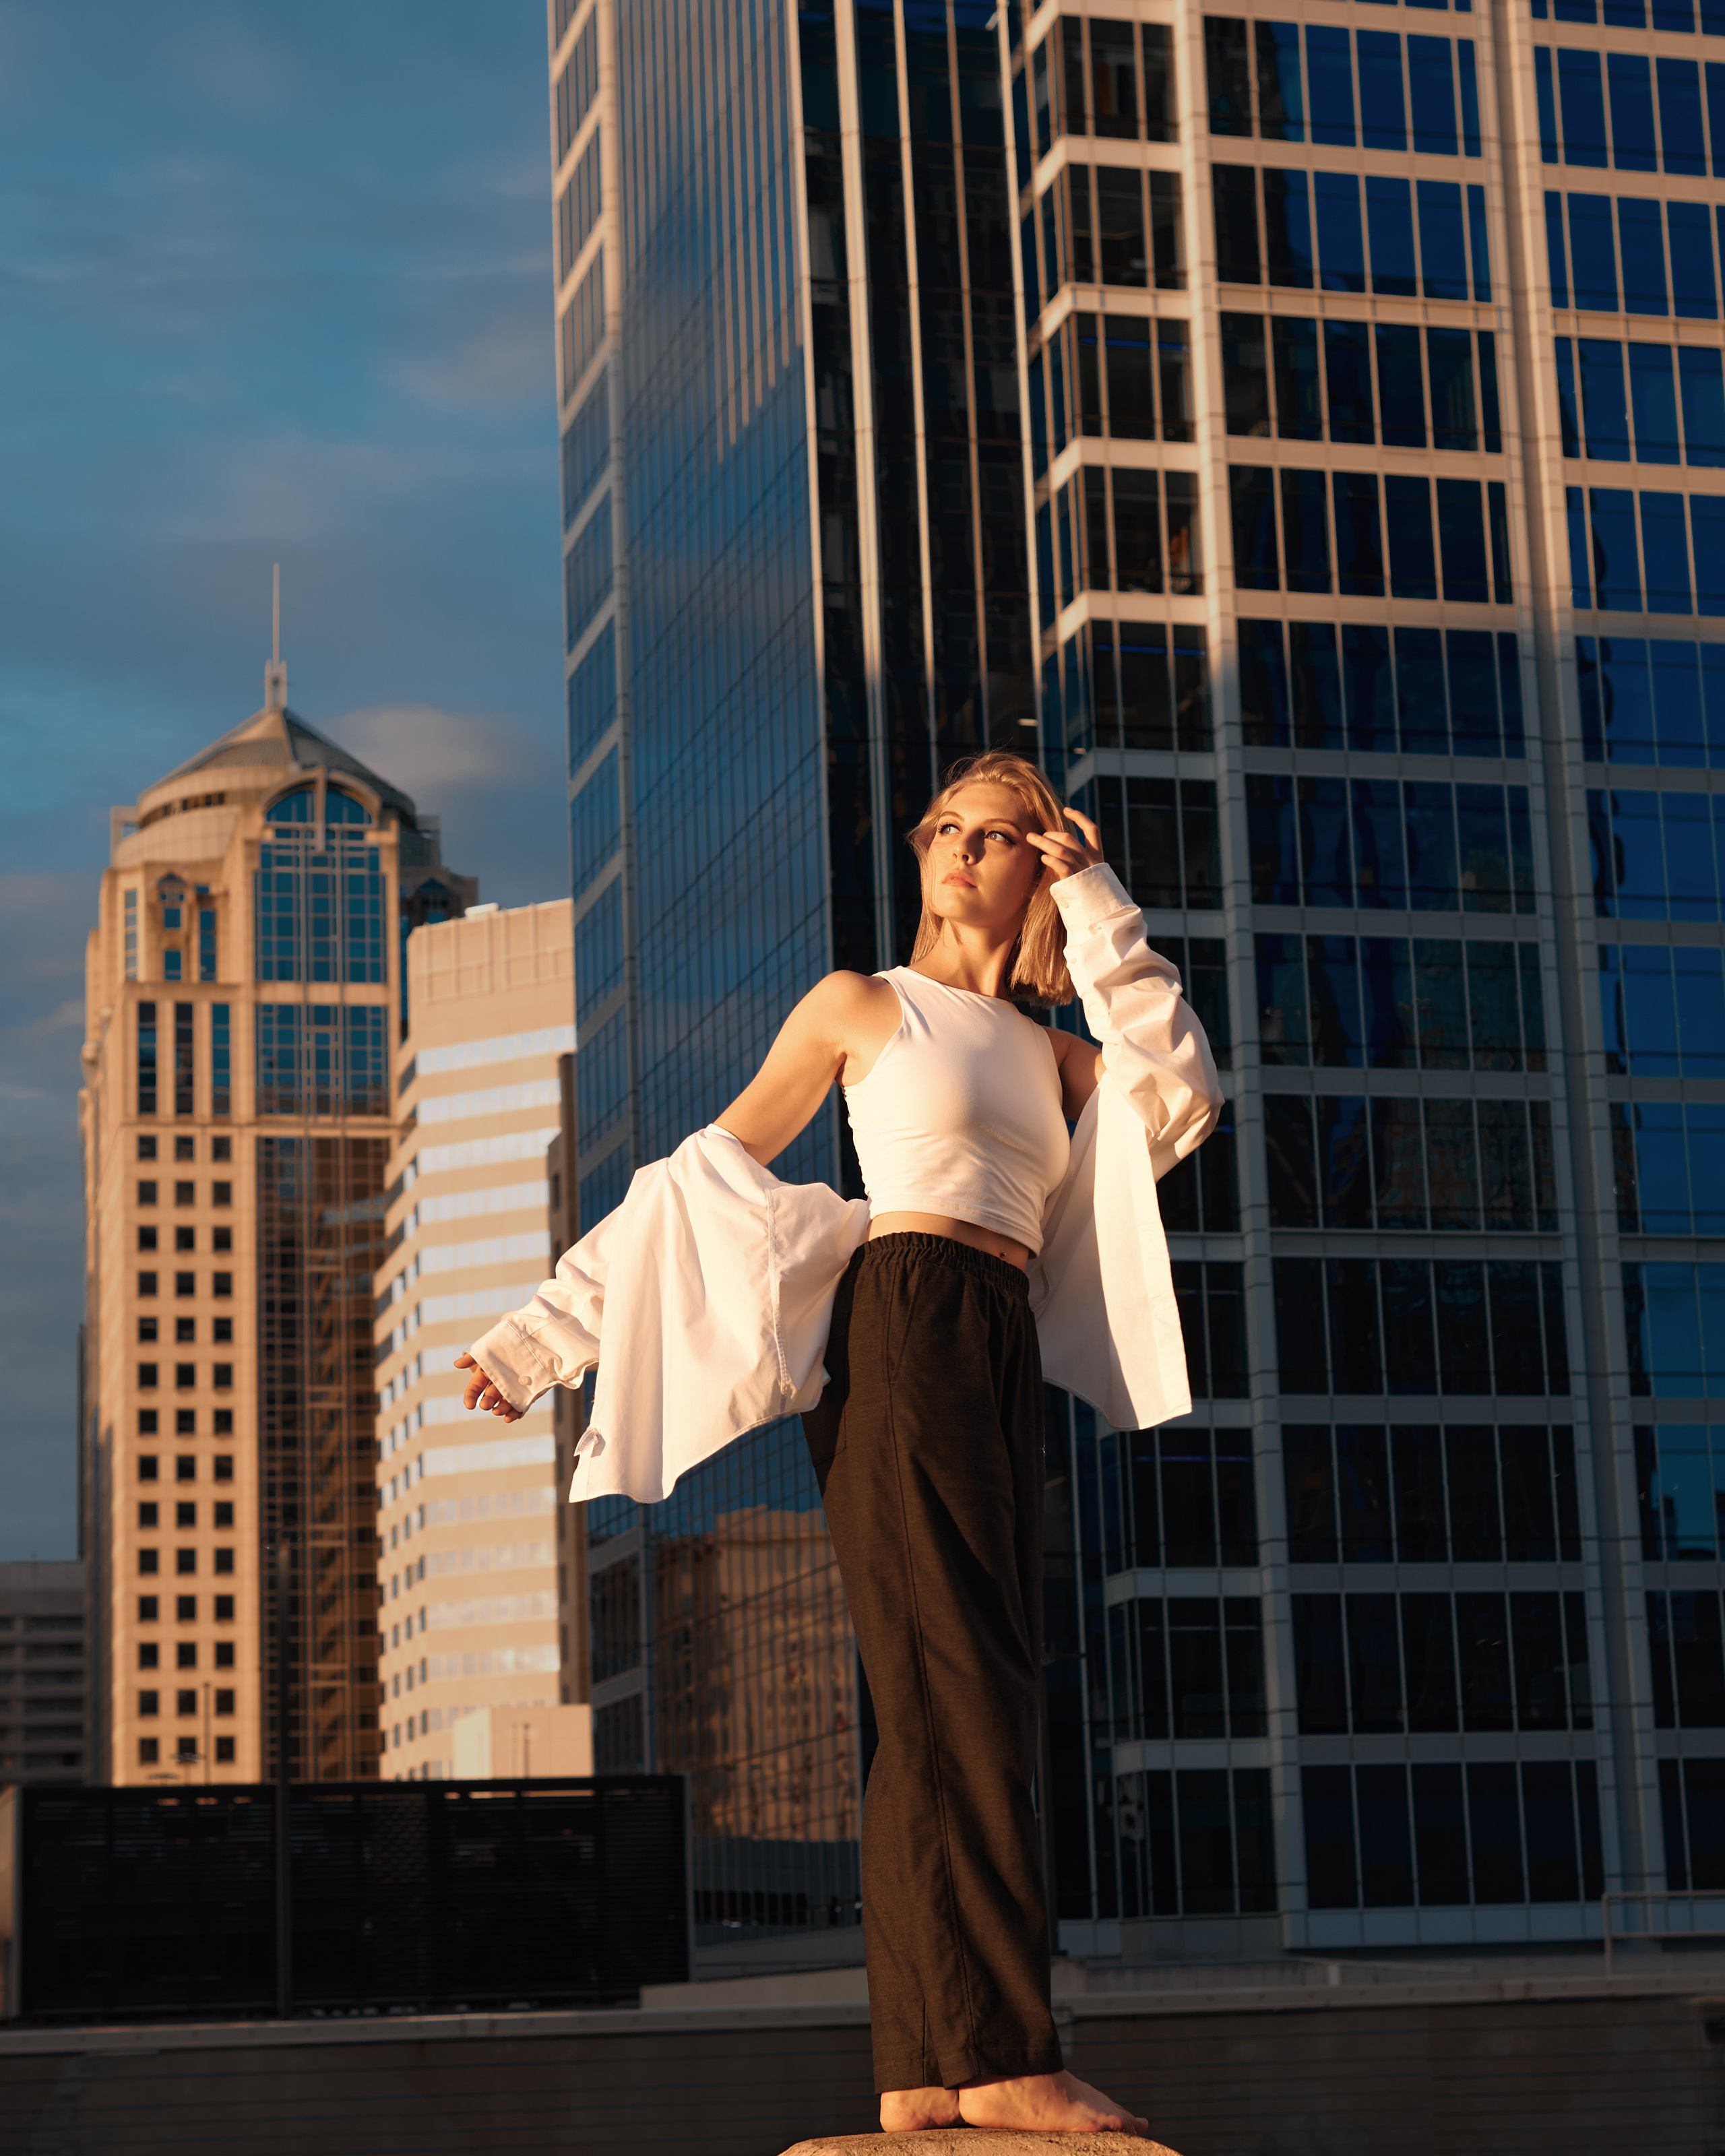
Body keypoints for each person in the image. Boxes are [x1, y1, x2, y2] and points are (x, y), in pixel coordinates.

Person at [457, 751, 1221, 2139]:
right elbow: (696, 1180)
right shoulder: (868, 1008)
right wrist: (537, 1340)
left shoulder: (1055, 1057)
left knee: (944, 1697)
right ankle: (999, 2049)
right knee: (962, 1689)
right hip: (904, 1319)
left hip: (994, 1342)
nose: (957, 851)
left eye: (997, 835)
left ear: (1035, 866)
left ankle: (926, 2062)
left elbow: (1176, 1096)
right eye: (944, 827)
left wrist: (1098, 896)